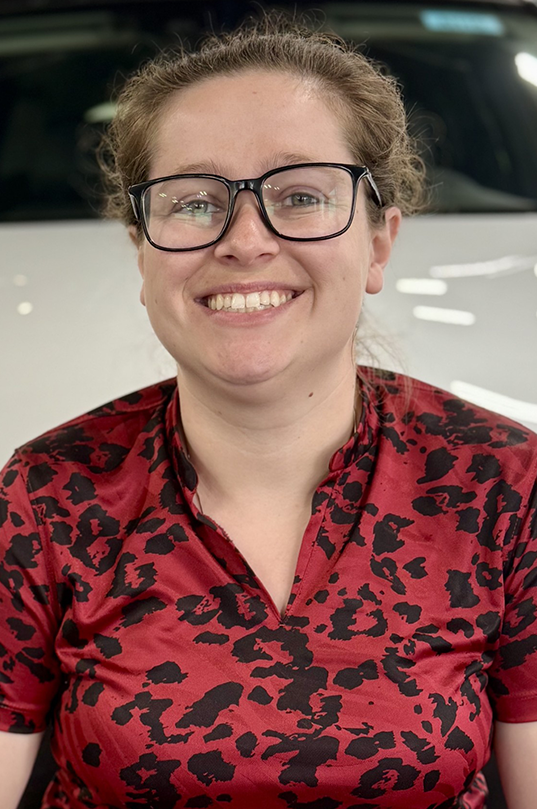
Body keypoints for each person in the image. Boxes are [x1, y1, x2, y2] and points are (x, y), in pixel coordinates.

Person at [1, 14, 536, 809]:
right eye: (193, 202)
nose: (245, 241)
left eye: (301, 195)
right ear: (142, 251)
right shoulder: (48, 492)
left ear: (378, 242)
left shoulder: (500, 482)